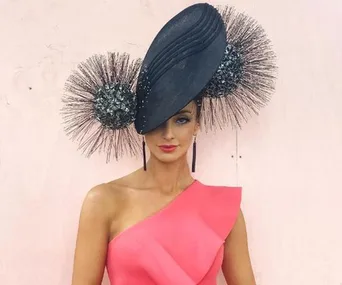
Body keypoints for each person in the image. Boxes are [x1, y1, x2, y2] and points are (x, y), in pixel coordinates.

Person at [62, 3, 276, 285]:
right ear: (139, 123)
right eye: (155, 120)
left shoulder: (225, 211)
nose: (168, 134)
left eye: (181, 120)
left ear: (198, 124)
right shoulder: (104, 202)